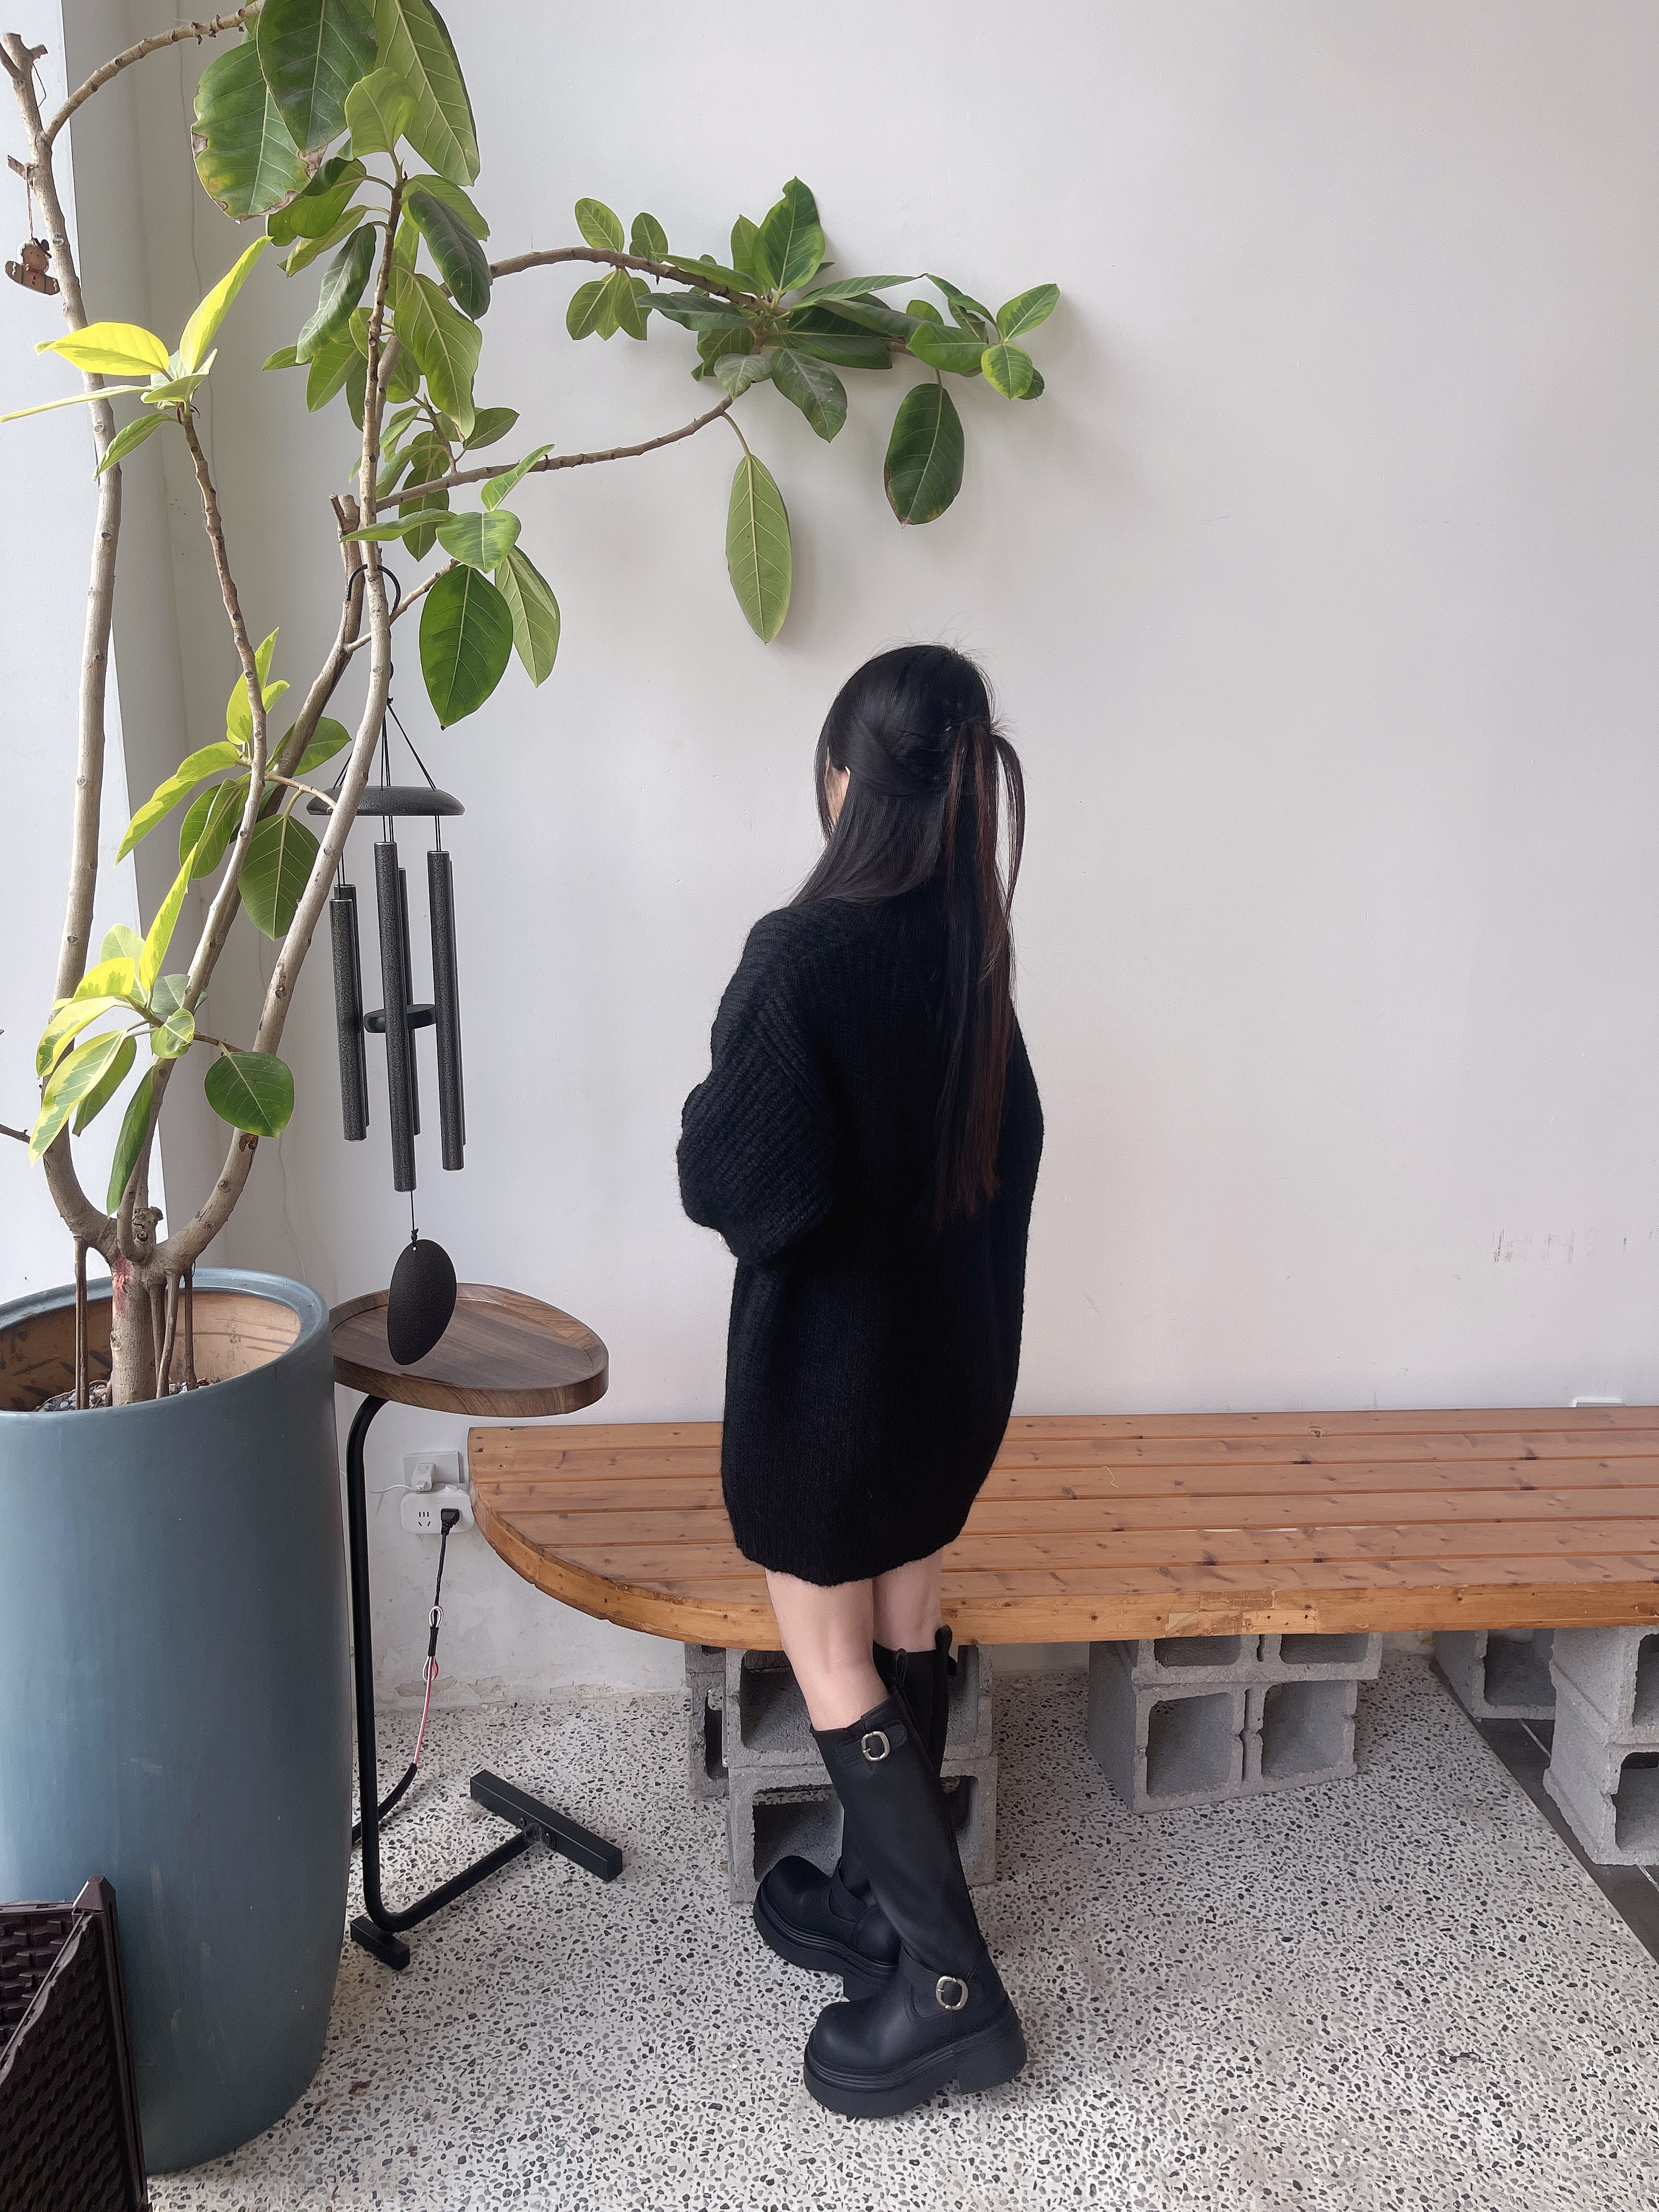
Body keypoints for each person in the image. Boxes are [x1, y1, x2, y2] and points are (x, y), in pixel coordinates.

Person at [678, 643, 1043, 2118]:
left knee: (831, 1660)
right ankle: (879, 1905)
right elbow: (1014, 1153)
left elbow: (735, 1181)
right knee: (905, 1623)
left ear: (843, 784)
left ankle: (954, 1995)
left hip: (831, 1404)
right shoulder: (974, 951)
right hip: (943, 1390)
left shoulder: (802, 954)